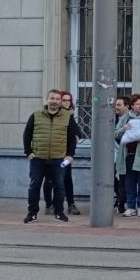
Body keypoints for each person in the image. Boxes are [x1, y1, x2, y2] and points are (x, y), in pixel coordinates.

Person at [22, 89, 78, 223]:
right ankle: (32, 213)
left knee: (59, 186)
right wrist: (28, 152)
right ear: (47, 100)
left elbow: (72, 137)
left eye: (58, 99)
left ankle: (59, 213)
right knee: (34, 186)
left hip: (59, 158)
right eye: (52, 98)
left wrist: (70, 155)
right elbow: (27, 134)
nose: (55, 101)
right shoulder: (36, 115)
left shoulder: (67, 116)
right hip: (38, 158)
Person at [43, 89, 81, 216]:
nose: (66, 103)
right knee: (49, 179)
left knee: (66, 179)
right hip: (51, 152)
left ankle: (70, 203)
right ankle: (50, 205)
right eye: (63, 100)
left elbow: (77, 133)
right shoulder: (52, 114)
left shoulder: (68, 116)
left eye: (68, 101)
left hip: (65, 154)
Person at [112, 95, 129, 214]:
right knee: (113, 176)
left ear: (127, 107)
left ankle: (121, 201)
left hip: (124, 152)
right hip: (113, 152)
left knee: (122, 178)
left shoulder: (130, 119)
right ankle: (119, 198)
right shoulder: (112, 118)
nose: (116, 107)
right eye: (116, 105)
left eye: (119, 105)